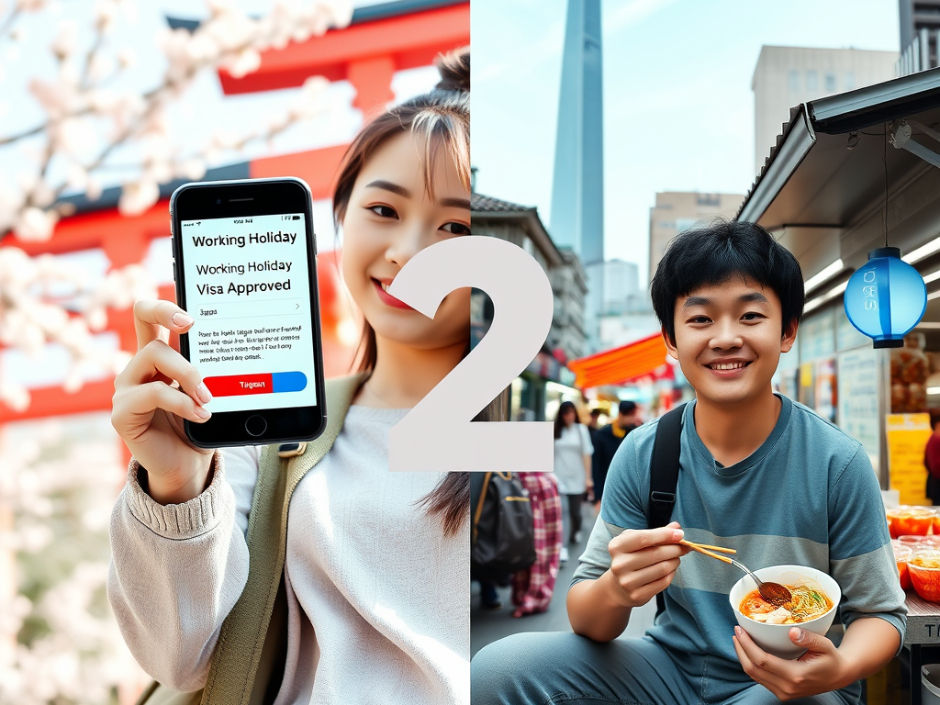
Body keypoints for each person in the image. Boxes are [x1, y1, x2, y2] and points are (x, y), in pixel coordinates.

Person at [108, 50, 471, 705]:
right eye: (384, 211)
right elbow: (180, 659)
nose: (408, 253)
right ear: (340, 219)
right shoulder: (271, 436)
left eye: (455, 226)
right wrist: (175, 482)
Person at [472, 220, 906, 705]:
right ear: (672, 340)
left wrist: (840, 667)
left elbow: (882, 615)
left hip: (792, 682)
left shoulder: (837, 462)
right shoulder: (644, 453)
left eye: (750, 316)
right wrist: (617, 588)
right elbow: (586, 613)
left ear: (787, 332)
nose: (725, 338)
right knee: (496, 670)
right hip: (670, 669)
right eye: (700, 319)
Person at [509, 471, 563, 618]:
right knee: (522, 544)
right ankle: (526, 594)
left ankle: (535, 596)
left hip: (536, 485)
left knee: (541, 547)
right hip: (521, 485)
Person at [553, 400, 593, 563]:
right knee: (562, 512)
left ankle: (576, 530)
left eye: (571, 413)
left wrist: (588, 477)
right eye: (565, 413)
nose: (568, 416)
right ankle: (562, 546)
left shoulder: (581, 430)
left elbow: (586, 454)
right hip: (558, 476)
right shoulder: (556, 430)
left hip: (577, 476)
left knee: (575, 512)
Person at [591, 399, 641, 509]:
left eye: (633, 415)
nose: (631, 419)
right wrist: (597, 497)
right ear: (620, 414)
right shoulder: (602, 435)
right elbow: (596, 466)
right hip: (606, 487)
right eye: (628, 415)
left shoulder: (634, 434)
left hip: (627, 490)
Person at [925, 413, 940, 504]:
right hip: (937, 484)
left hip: (934, 483)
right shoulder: (936, 440)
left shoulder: (932, 439)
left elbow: (926, 463)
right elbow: (936, 467)